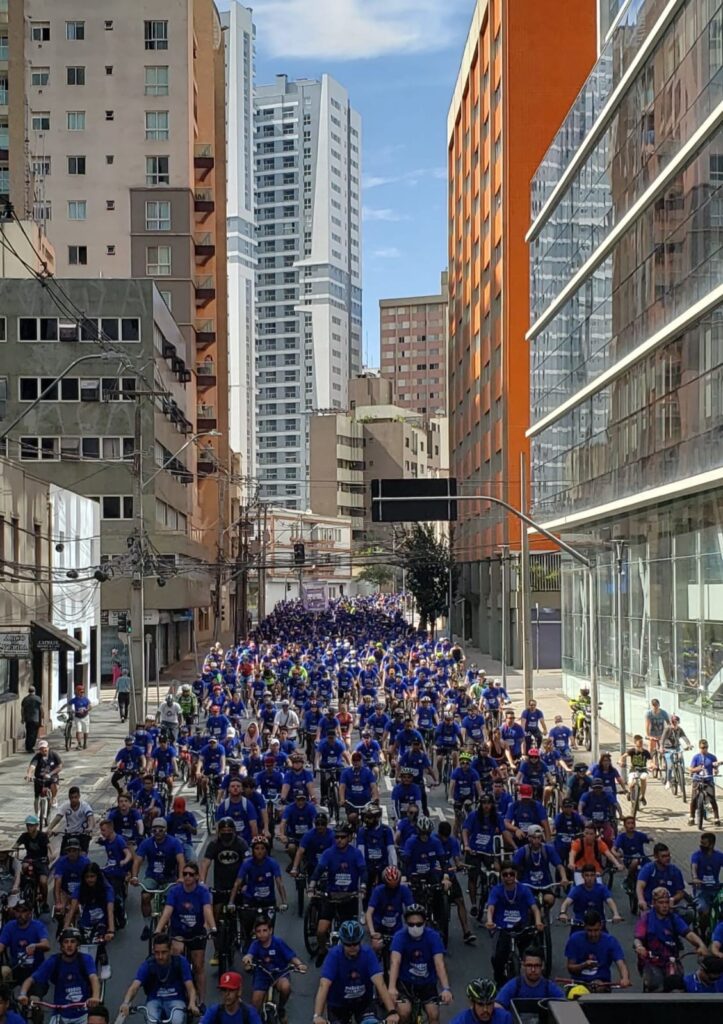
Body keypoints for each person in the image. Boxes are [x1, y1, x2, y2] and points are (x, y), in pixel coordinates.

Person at [313, 919, 399, 1024]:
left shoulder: (368, 954)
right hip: (338, 1004)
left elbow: (380, 983)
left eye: (355, 943)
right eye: (348, 944)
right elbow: (324, 985)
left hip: (363, 1003)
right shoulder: (333, 955)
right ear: (343, 943)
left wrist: (392, 1011)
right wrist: (317, 1015)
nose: (352, 947)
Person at [155, 861, 215, 1007]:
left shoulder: (202, 892)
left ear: (196, 877)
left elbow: (207, 910)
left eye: (191, 874)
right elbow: (168, 910)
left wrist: (213, 928)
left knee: (199, 966)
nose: (187, 877)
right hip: (178, 931)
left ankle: (201, 1001)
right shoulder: (175, 891)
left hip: (197, 933)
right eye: (185, 874)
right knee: (177, 952)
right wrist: (158, 929)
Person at [309, 823, 366, 965]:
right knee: (321, 931)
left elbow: (363, 871)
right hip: (331, 896)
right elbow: (319, 869)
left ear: (349, 838)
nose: (339, 840)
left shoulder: (356, 854)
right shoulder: (329, 853)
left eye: (342, 837)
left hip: (349, 898)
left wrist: (363, 887)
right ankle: (322, 950)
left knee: (352, 936)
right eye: (337, 837)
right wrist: (311, 885)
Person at [633, 886, 707, 991]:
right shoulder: (646, 918)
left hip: (671, 960)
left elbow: (688, 933)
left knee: (678, 985)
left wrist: (701, 945)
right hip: (651, 961)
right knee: (655, 984)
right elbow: (638, 938)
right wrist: (639, 947)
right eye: (661, 902)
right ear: (654, 903)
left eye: (666, 902)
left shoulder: (673, 918)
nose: (664, 906)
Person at [388, 904, 452, 1024]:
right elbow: (395, 962)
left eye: (419, 924)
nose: (415, 927)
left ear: (425, 922)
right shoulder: (399, 936)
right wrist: (392, 987)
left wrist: (446, 988)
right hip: (406, 985)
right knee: (403, 1012)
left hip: (427, 985)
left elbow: (439, 964)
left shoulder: (433, 937)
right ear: (406, 923)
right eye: (411, 924)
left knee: (434, 1014)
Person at [19, 927, 100, 1020]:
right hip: (60, 1013)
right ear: (61, 946)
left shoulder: (85, 959)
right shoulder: (54, 961)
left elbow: (93, 977)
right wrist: (23, 994)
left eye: (73, 941)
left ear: (78, 944)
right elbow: (31, 979)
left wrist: (95, 997)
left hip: (84, 1013)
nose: (69, 945)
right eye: (66, 942)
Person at [485, 862, 543, 986]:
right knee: (497, 958)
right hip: (502, 928)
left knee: (530, 954)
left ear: (516, 875)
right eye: (505, 874)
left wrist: (538, 921)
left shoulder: (524, 890)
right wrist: (489, 921)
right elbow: (491, 907)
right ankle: (499, 979)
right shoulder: (496, 890)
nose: (509, 877)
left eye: (511, 874)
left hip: (521, 927)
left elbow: (534, 908)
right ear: (501, 876)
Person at [118, 932, 199, 1023]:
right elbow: (134, 987)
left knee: (178, 1020)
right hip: (154, 1000)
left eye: (164, 952)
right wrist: (125, 1003)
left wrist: (192, 1003)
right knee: (151, 1021)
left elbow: (190, 987)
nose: (160, 956)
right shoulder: (149, 964)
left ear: (171, 950)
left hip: (176, 1000)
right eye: (157, 953)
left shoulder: (180, 962)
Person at [242, 914, 306, 1017]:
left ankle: (281, 1007)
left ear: (270, 930)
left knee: (286, 987)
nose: (262, 934)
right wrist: (247, 959)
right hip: (262, 975)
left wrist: (299, 964)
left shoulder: (278, 942)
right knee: (255, 1004)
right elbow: (250, 954)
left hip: (279, 974)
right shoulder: (255, 944)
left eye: (264, 930)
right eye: (258, 931)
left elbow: (291, 957)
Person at [130, 818, 185, 936]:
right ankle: (147, 925)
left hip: (169, 878)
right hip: (152, 877)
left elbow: (181, 861)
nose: (158, 832)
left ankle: (171, 924)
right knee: (145, 896)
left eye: (161, 829)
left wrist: (181, 877)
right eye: (155, 829)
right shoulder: (147, 843)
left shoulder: (174, 843)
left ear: (166, 830)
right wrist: (134, 876)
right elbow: (137, 861)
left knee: (170, 902)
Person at [564, 910, 631, 989]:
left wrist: (625, 978)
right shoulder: (574, 939)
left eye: (596, 930)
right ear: (584, 927)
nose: (593, 934)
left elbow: (621, 963)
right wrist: (583, 965)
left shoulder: (610, 941)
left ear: (601, 926)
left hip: (601, 983)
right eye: (589, 930)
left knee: (599, 989)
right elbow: (570, 967)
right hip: (579, 983)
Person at [365, 866, 414, 956]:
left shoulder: (404, 890)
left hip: (397, 928)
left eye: (395, 886)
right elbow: (369, 913)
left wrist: (411, 929)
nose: (392, 889)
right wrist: (372, 933)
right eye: (390, 886)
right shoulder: (378, 891)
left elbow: (412, 910)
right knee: (375, 947)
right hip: (379, 928)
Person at [0, 898, 49, 983]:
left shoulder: (38, 926)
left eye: (23, 911)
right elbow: (1, 946)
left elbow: (46, 945)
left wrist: (35, 946)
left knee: (34, 997)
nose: (20, 914)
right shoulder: (9, 926)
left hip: (35, 970)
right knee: (4, 971)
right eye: (18, 911)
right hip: (16, 967)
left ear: (30, 913)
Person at [558, 863, 622, 928]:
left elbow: (610, 902)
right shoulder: (576, 890)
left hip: (598, 924)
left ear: (595, 876)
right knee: (574, 938)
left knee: (608, 938)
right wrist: (563, 913)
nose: (589, 878)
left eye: (592, 875)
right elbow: (566, 903)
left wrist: (616, 914)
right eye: (587, 875)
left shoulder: (602, 889)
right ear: (582, 876)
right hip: (580, 924)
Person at [496, 948, 565, 1006]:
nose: (533, 970)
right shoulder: (514, 986)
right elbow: (498, 1005)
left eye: (537, 965)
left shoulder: (549, 987)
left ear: (543, 966)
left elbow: (565, 1004)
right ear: (523, 966)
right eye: (529, 965)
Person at [12, 814, 51, 909]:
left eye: (31, 825)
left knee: (43, 881)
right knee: (21, 869)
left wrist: (50, 855)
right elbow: (15, 845)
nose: (29, 827)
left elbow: (49, 846)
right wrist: (13, 849)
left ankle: (44, 902)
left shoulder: (42, 836)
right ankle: (21, 890)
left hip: (41, 860)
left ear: (36, 826)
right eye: (28, 825)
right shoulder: (24, 836)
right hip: (29, 858)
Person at [636, 842, 687, 913]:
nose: (667, 858)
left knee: (688, 913)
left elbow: (680, 892)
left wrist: (673, 899)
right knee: (645, 918)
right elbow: (640, 886)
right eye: (663, 856)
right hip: (650, 905)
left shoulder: (675, 871)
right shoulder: (648, 868)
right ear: (656, 856)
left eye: (668, 855)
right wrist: (641, 900)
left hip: (669, 905)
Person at [690, 831, 723, 932]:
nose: (701, 845)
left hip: (716, 888)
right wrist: (695, 878)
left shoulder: (719, 856)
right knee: (704, 911)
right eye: (701, 843)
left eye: (704, 844)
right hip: (702, 889)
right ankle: (702, 930)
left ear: (712, 844)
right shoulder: (696, 855)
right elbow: (694, 867)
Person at [48, 787, 95, 854]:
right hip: (69, 834)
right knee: (63, 856)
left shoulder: (85, 806)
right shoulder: (66, 806)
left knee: (83, 856)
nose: (73, 800)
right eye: (71, 798)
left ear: (79, 796)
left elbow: (90, 817)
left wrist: (90, 827)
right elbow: (58, 817)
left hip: (82, 834)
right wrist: (49, 828)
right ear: (69, 797)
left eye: (75, 797)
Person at [689, 739, 721, 826]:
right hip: (698, 779)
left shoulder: (712, 757)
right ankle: (691, 817)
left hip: (708, 779)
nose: (704, 749)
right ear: (699, 748)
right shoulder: (696, 757)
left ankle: (716, 818)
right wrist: (697, 769)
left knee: (712, 799)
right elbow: (691, 769)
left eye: (706, 747)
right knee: (694, 799)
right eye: (702, 747)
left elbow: (715, 768)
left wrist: (716, 771)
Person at [25, 739, 62, 812]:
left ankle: (54, 797)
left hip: (51, 776)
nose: (43, 750)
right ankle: (37, 814)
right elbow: (32, 766)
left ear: (48, 748)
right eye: (41, 749)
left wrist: (50, 774)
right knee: (36, 796)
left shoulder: (53, 755)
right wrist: (29, 774)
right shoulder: (37, 756)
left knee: (54, 784)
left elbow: (59, 766)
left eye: (44, 748)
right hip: (40, 777)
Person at [660, 715, 691, 789]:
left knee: (681, 758)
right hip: (667, 748)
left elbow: (684, 737)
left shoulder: (679, 729)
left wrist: (688, 744)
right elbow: (663, 739)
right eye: (673, 722)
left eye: (676, 722)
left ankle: (681, 775)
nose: (675, 724)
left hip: (676, 747)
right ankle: (668, 781)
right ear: (671, 722)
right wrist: (661, 747)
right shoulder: (667, 729)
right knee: (670, 765)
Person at [619, 735, 651, 806]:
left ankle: (642, 796)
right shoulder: (632, 751)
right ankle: (630, 793)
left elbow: (650, 760)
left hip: (643, 770)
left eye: (642, 742)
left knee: (643, 778)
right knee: (630, 784)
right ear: (635, 743)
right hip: (633, 769)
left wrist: (651, 765)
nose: (641, 743)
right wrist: (621, 761)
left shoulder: (646, 752)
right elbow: (623, 756)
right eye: (639, 742)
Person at [644, 699, 670, 766]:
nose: (655, 708)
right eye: (654, 706)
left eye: (656, 706)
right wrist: (648, 735)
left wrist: (669, 732)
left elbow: (668, 723)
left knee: (663, 747)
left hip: (661, 734)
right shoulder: (649, 713)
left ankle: (664, 762)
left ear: (659, 705)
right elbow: (647, 725)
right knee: (651, 746)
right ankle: (650, 762)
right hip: (652, 734)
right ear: (652, 706)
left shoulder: (663, 713)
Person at [20, 687, 44, 754]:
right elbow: (41, 709)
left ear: (28, 691)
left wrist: (22, 718)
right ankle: (30, 747)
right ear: (34, 691)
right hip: (36, 719)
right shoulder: (38, 698)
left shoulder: (25, 699)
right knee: (34, 734)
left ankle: (28, 747)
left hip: (28, 719)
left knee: (28, 732)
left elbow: (22, 710)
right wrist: (42, 718)